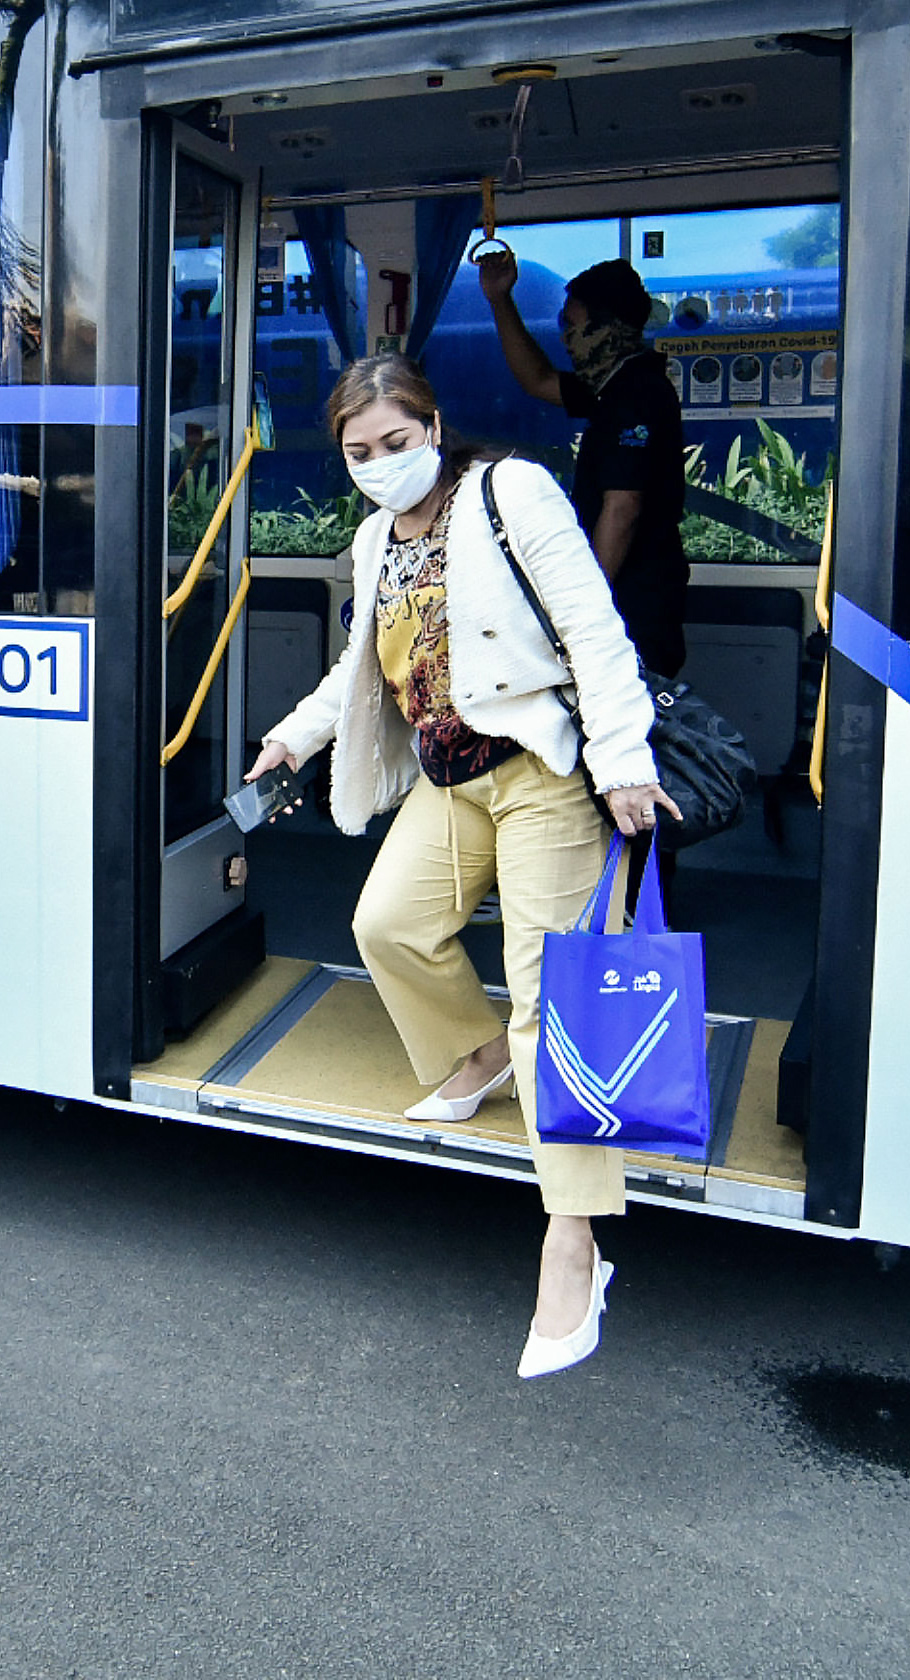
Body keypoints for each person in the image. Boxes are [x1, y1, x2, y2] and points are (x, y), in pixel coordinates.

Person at [245, 356, 675, 1379]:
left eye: (397, 442)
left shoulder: (509, 493)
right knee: (386, 925)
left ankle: (573, 1242)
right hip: (451, 777)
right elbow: (360, 671)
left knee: (551, 1003)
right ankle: (474, 1060)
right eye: (359, 451)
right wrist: (295, 740)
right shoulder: (370, 538)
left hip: (540, 774)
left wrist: (621, 760)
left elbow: (594, 631)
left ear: (433, 426)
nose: (380, 464)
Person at [481, 253, 689, 676]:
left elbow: (623, 508)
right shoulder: (612, 386)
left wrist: (583, 606)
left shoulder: (636, 394)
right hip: (628, 597)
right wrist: (499, 300)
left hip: (632, 605)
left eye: (572, 327)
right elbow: (538, 380)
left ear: (606, 330)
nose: (565, 339)